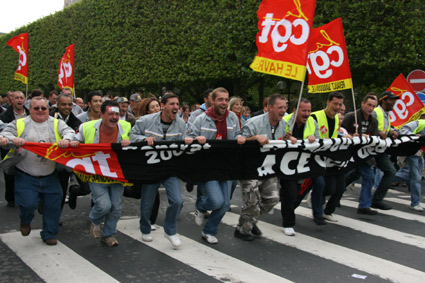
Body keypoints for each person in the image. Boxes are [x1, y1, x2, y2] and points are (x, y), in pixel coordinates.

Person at [0, 96, 75, 245]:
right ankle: (25, 221)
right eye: (36, 108)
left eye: (43, 108)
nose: (40, 111)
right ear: (30, 109)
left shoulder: (57, 123)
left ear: (48, 109)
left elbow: (70, 132)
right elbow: (4, 134)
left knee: (54, 205)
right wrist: (11, 139)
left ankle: (49, 234)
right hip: (26, 175)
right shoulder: (20, 123)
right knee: (28, 204)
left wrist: (66, 139)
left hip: (50, 174)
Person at [130, 92, 192, 249]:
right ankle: (145, 228)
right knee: (147, 204)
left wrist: (186, 141)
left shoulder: (180, 124)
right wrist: (143, 139)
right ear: (162, 105)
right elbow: (132, 136)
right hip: (150, 167)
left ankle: (170, 231)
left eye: (177, 104)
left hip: (169, 168)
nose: (176, 107)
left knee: (177, 200)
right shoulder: (145, 121)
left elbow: (181, 143)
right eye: (172, 104)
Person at [189, 87, 246, 244]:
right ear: (212, 101)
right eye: (220, 99)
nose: (224, 103)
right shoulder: (201, 119)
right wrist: (196, 139)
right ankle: (201, 205)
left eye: (226, 100)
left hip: (226, 166)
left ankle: (209, 231)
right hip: (207, 167)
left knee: (225, 204)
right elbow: (189, 137)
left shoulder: (233, 117)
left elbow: (238, 134)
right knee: (216, 201)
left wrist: (240, 137)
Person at [234, 94, 294, 241]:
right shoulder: (253, 123)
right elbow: (238, 142)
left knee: (272, 199)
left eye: (285, 108)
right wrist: (253, 139)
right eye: (280, 107)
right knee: (251, 203)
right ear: (269, 108)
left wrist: (288, 139)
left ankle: (250, 220)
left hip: (267, 168)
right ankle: (242, 230)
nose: (283, 111)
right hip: (249, 169)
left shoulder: (283, 124)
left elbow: (279, 141)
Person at [73, 100, 132, 247]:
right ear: (101, 114)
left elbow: (137, 139)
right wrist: (72, 142)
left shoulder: (126, 126)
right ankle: (95, 219)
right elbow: (75, 141)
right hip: (96, 173)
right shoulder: (86, 127)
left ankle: (108, 235)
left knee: (116, 207)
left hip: (116, 173)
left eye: (117, 114)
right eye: (110, 113)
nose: (114, 117)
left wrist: (130, 141)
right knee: (104, 205)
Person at [281, 98, 320, 236]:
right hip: (283, 164)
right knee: (290, 193)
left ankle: (286, 208)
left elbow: (319, 140)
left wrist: (313, 139)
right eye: (304, 110)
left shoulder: (312, 122)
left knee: (294, 193)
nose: (307, 113)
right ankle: (289, 223)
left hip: (301, 165)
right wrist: (285, 138)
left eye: (309, 110)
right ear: (295, 110)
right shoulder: (284, 121)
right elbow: (275, 138)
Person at [311, 92, 350, 222]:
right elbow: (310, 134)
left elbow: (333, 136)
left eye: (340, 104)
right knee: (324, 186)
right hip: (317, 158)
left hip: (331, 158)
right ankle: (317, 215)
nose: (337, 107)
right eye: (335, 103)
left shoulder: (337, 119)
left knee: (339, 187)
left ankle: (327, 211)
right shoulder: (315, 116)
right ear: (328, 102)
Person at [342, 94, 380, 215]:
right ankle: (333, 194)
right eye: (369, 105)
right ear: (363, 104)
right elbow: (340, 131)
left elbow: (374, 137)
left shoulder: (373, 121)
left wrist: (369, 138)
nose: (370, 108)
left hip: (364, 154)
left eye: (373, 106)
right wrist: (352, 135)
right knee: (340, 176)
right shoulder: (351, 117)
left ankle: (364, 205)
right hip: (348, 153)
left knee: (369, 177)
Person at [49, 94, 82, 213]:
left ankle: (57, 214)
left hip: (64, 162)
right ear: (57, 105)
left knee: (62, 190)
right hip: (48, 159)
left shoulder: (77, 122)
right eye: (64, 104)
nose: (67, 107)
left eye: (69, 104)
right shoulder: (47, 117)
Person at [369, 91, 399, 210]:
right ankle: (336, 192)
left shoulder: (386, 114)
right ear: (383, 100)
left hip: (380, 149)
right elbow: (368, 127)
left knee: (391, 171)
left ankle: (377, 200)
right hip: (369, 149)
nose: (394, 102)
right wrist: (379, 133)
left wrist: (391, 131)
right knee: (355, 173)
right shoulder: (376, 112)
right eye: (391, 100)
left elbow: (385, 129)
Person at [0, 91, 30, 208]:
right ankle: (11, 197)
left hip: (26, 148)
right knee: (10, 173)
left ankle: (25, 195)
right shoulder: (4, 116)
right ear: (12, 100)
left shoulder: (29, 113)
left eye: (21, 98)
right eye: (16, 98)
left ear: (24, 100)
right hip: (9, 148)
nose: (19, 100)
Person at [392, 117, 425, 211]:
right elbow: (403, 130)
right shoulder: (422, 123)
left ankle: (386, 179)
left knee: (410, 176)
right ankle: (415, 203)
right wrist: (414, 136)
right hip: (412, 153)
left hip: (418, 154)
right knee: (416, 177)